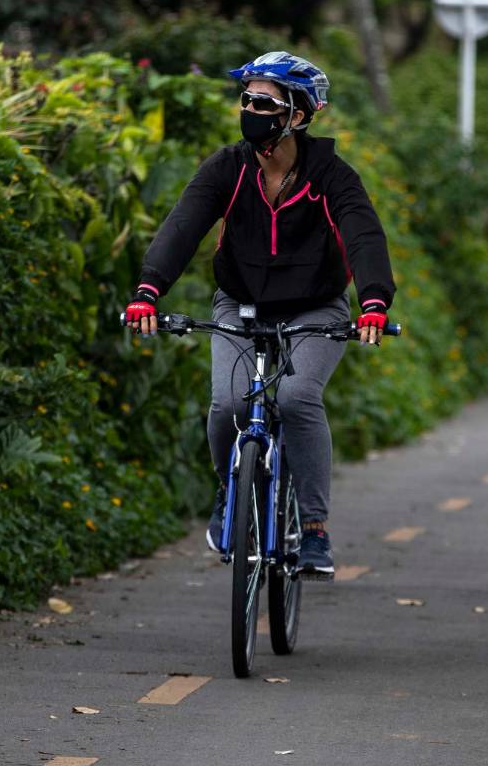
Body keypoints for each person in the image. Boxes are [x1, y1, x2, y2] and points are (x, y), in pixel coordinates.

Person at [122, 51, 396, 580]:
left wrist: (374, 303)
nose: (250, 108)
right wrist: (148, 291)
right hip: (240, 303)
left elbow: (363, 234)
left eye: (264, 101)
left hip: (316, 307)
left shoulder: (330, 175)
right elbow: (184, 225)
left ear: (297, 113)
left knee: (296, 397)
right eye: (246, 99)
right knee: (226, 404)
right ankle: (232, 494)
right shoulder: (229, 166)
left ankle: (313, 529)